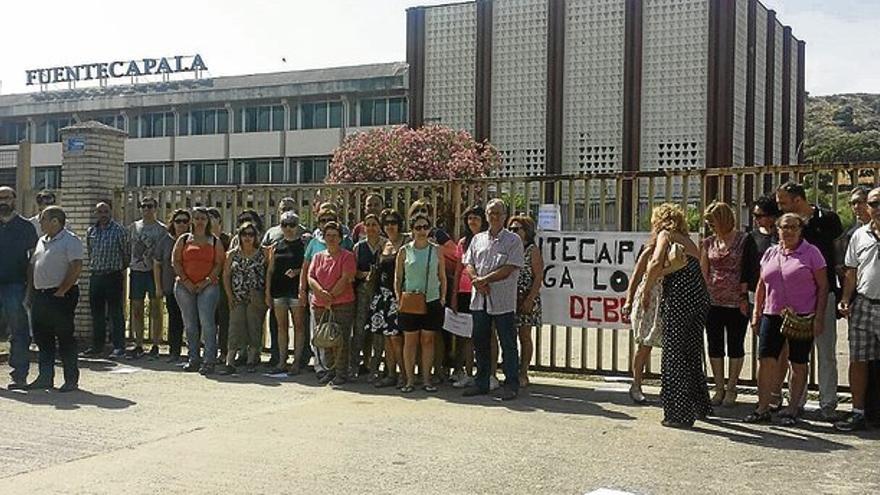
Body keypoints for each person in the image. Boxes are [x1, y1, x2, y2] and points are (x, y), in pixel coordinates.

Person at [745, 213, 828, 426]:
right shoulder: (771, 253)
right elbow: (761, 284)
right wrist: (757, 314)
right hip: (772, 314)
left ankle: (792, 409)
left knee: (798, 362)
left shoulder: (812, 253)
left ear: (800, 230)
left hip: (802, 316)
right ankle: (762, 407)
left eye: (793, 227)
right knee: (766, 360)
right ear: (778, 229)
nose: (789, 231)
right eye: (784, 227)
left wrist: (819, 317)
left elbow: (823, 286)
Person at [640, 203, 711, 428]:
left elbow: (654, 262)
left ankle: (678, 413)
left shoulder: (666, 234)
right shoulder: (689, 241)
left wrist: (646, 290)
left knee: (673, 353)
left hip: (679, 296)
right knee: (692, 351)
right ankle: (699, 405)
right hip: (699, 296)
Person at [776, 181, 843, 419]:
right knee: (797, 354)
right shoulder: (787, 225)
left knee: (826, 351)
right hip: (797, 297)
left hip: (825, 291)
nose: (781, 208)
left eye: (783, 202)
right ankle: (796, 400)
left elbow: (838, 252)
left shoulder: (829, 220)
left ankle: (828, 404)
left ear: (798, 199)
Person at [462, 198, 524, 401]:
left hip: (503, 300)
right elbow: (468, 262)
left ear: (505, 216)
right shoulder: (477, 239)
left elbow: (510, 267)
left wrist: (485, 279)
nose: (494, 217)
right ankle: (482, 381)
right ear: (486, 216)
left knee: (507, 343)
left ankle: (511, 384)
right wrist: (476, 280)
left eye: (498, 213)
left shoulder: (513, 241)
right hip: (480, 299)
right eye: (491, 213)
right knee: (480, 341)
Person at [700, 202, 755, 407]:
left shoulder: (744, 240)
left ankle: (732, 388)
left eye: (712, 221)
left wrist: (744, 297)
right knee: (714, 344)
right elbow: (703, 271)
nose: (710, 226)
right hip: (712, 301)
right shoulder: (708, 242)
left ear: (723, 219)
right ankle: (718, 387)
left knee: (735, 344)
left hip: (736, 301)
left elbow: (748, 269)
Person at [835, 187, 880, 432]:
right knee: (859, 360)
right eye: (874, 203)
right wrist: (845, 298)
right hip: (863, 303)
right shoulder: (859, 235)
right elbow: (851, 271)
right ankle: (858, 412)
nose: (877, 208)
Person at [27, 206, 83, 392]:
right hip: (41, 295)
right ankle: (45, 377)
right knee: (43, 338)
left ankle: (71, 380)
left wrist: (62, 290)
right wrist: (30, 293)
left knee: (65, 337)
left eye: (43, 219)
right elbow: (34, 265)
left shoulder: (70, 240)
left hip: (61, 295)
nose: (40, 222)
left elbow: (75, 267)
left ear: (55, 221)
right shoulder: (42, 240)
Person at [396, 214, 447, 393]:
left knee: (428, 340)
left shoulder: (437, 250)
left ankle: (427, 379)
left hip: (431, 300)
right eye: (418, 228)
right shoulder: (404, 251)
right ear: (412, 230)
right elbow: (398, 278)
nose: (422, 231)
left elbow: (442, 275)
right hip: (410, 301)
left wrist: (442, 297)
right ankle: (409, 380)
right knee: (410, 342)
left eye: (425, 227)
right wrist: (398, 298)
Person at [408, 199, 458, 381]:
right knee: (416, 336)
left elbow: (455, 253)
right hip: (413, 292)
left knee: (435, 335)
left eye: (424, 210)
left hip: (435, 289)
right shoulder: (409, 236)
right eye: (416, 210)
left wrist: (434, 250)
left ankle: (438, 370)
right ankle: (420, 371)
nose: (420, 213)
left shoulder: (438, 235)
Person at [173, 207, 225, 375]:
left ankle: (209, 360)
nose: (200, 221)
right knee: (190, 324)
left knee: (207, 323)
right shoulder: (184, 239)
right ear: (192, 221)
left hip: (208, 286)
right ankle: (193, 358)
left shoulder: (214, 241)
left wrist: (206, 281)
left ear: (207, 221)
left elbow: (219, 263)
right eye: (197, 218)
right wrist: (186, 281)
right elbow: (176, 261)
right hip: (184, 286)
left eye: (203, 218)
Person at [307, 221, 357, 386]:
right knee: (325, 339)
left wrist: (330, 296)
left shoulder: (347, 256)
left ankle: (341, 373)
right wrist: (321, 293)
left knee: (340, 339)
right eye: (328, 235)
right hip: (320, 304)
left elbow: (346, 278)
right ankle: (330, 370)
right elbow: (311, 276)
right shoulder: (317, 256)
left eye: (334, 236)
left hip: (342, 304)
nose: (331, 239)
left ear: (340, 238)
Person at [0, 186, 38, 390]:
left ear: (14, 200)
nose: (3, 201)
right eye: (0, 198)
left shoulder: (25, 227)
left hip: (15, 285)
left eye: (6, 197)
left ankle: (19, 375)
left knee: (19, 331)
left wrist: (30, 290)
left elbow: (33, 261)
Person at [220, 222, 268, 375]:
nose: (248, 238)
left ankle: (252, 359)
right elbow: (226, 275)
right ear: (239, 236)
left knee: (254, 326)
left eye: (251, 234)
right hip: (238, 295)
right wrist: (229, 295)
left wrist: (266, 294)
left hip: (256, 295)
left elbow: (269, 274)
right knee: (235, 326)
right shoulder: (232, 254)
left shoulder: (263, 253)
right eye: (244, 234)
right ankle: (230, 360)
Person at [84, 200, 129, 359]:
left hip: (113, 275)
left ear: (111, 212)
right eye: (100, 212)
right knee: (96, 313)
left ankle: (118, 346)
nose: (103, 215)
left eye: (106, 212)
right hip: (96, 276)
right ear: (95, 213)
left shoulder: (119, 231)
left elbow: (126, 254)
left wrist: (118, 268)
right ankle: (97, 346)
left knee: (115, 312)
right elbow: (90, 252)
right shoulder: (91, 231)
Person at [369, 209, 409, 388]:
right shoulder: (382, 245)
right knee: (386, 338)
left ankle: (404, 375)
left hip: (399, 296)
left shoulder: (407, 243)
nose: (390, 226)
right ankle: (391, 374)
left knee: (397, 339)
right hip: (382, 297)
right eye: (386, 223)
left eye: (393, 222)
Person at [450, 205, 488, 389]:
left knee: (480, 334)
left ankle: (483, 372)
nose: (472, 221)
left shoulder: (489, 240)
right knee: (463, 335)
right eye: (470, 218)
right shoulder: (463, 243)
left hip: (482, 291)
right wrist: (454, 296)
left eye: (476, 218)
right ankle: (463, 371)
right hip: (464, 292)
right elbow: (458, 270)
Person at [265, 210, 306, 374]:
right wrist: (267, 292)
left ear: (297, 226)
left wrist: (297, 272)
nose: (288, 228)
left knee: (299, 327)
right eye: (285, 225)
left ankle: (296, 361)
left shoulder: (303, 245)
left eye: (292, 225)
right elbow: (270, 270)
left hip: (296, 291)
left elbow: (308, 267)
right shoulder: (276, 246)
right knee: (281, 327)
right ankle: (282, 361)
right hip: (278, 290)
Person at [622, 238, 662, 404]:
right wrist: (629, 301)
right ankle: (636, 384)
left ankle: (668, 387)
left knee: (671, 347)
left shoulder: (679, 249)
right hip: (649, 300)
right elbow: (636, 276)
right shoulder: (649, 251)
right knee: (645, 345)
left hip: (666, 300)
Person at [127, 196, 166, 359]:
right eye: (143, 206)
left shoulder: (161, 229)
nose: (146, 209)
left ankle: (156, 343)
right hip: (137, 270)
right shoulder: (134, 227)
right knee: (136, 308)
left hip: (153, 271)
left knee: (156, 308)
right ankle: (138, 343)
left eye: (149, 206)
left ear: (155, 209)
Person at [508, 215, 542, 388]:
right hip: (507, 299)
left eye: (517, 229)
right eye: (511, 229)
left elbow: (538, 277)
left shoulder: (532, 250)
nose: (513, 232)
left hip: (526, 298)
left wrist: (530, 299)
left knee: (525, 337)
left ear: (526, 232)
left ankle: (523, 372)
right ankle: (510, 371)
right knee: (508, 337)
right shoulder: (508, 248)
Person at [351, 213, 386, 379]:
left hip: (381, 293)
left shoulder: (386, 245)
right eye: (368, 224)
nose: (371, 228)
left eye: (374, 224)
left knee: (379, 332)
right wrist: (365, 275)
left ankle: (375, 367)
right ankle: (354, 366)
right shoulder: (359, 247)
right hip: (363, 292)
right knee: (359, 330)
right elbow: (353, 272)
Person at [154, 209, 190, 363]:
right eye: (178, 221)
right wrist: (158, 286)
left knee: (191, 321)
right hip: (170, 286)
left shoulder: (193, 240)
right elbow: (157, 263)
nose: (181, 224)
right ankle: (174, 351)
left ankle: (193, 352)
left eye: (184, 221)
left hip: (190, 287)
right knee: (174, 320)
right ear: (172, 223)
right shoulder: (165, 241)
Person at [207, 207, 233, 364]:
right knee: (208, 319)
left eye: (212, 218)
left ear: (220, 222)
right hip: (205, 284)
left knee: (224, 319)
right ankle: (208, 350)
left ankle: (224, 352)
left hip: (223, 285)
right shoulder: (202, 239)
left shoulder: (227, 240)